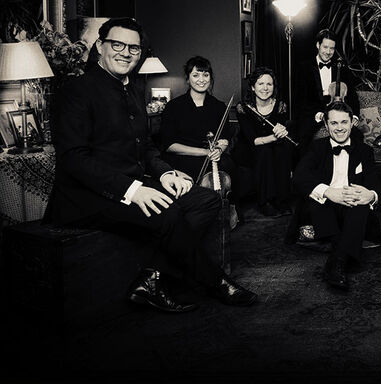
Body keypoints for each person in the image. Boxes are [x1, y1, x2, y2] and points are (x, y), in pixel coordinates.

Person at [43, 17, 257, 312]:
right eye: (117, 45)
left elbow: (145, 147)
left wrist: (165, 172)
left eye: (133, 48)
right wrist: (133, 190)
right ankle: (216, 282)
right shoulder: (76, 90)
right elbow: (74, 160)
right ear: (100, 46)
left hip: (132, 183)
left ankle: (152, 276)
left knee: (205, 200)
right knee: (168, 213)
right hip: (86, 197)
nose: (126, 53)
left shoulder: (133, 89)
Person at [292, 101, 381, 291]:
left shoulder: (364, 150)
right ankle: (347, 254)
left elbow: (374, 182)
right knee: (317, 200)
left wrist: (370, 195)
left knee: (360, 205)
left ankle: (336, 262)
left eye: (343, 122)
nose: (339, 128)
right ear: (326, 125)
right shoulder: (317, 147)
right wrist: (329, 192)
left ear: (352, 123)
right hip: (325, 205)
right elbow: (299, 177)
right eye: (334, 123)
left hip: (351, 204)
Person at [159, 56, 234, 183]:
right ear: (188, 79)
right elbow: (169, 145)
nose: (201, 80)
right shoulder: (173, 106)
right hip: (183, 160)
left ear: (210, 78)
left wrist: (219, 150)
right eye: (195, 75)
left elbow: (225, 138)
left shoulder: (219, 106)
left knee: (228, 165)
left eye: (206, 75)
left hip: (212, 159)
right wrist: (204, 152)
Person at [235, 67, 296, 217]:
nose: (265, 88)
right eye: (260, 83)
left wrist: (282, 131)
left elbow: (280, 128)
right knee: (265, 151)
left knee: (283, 149)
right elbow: (253, 140)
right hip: (249, 149)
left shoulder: (280, 106)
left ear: (273, 87)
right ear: (253, 87)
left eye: (269, 84)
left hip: (273, 147)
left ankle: (282, 200)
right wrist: (276, 137)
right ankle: (266, 202)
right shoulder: (243, 107)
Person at [295, 29, 361, 149]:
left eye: (332, 48)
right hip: (314, 114)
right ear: (318, 45)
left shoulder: (341, 68)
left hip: (338, 114)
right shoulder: (304, 68)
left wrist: (355, 116)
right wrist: (318, 114)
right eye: (325, 47)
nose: (328, 52)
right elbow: (301, 99)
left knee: (357, 136)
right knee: (303, 138)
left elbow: (352, 95)